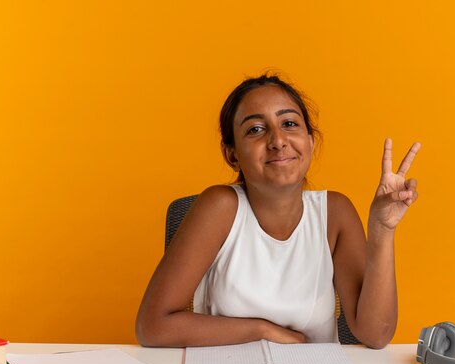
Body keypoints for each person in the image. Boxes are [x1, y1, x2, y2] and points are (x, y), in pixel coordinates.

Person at [136, 74, 420, 349]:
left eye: (289, 124)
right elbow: (153, 326)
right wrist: (263, 331)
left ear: (309, 142)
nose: (278, 140)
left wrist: (383, 230)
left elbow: (375, 335)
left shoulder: (335, 212)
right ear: (232, 155)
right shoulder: (219, 206)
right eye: (255, 129)